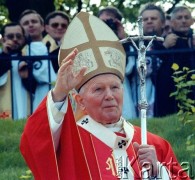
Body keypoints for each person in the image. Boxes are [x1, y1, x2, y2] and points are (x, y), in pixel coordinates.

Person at [20, 12, 189, 179]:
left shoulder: (152, 144)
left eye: (115, 87)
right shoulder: (70, 142)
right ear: (80, 100)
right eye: (98, 89)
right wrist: (59, 92)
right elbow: (35, 145)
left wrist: (157, 172)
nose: (109, 95)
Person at [154, 5, 195, 117]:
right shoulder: (166, 40)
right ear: (171, 22)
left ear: (192, 21)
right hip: (170, 87)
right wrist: (165, 46)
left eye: (186, 17)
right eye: (179, 18)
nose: (183, 21)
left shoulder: (193, 40)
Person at [98, 6, 137, 120]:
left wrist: (122, 38)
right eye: (101, 22)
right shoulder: (89, 41)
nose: (105, 25)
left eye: (109, 21)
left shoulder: (125, 43)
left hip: (120, 85)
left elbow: (128, 68)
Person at [129, 3, 165, 118]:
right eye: (145, 19)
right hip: (139, 92)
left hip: (162, 96)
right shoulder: (132, 44)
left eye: (153, 18)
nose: (149, 21)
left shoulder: (170, 42)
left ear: (163, 22)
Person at [19, 9, 57, 111]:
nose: (30, 25)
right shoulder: (21, 52)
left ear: (42, 26)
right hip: (40, 91)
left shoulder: (55, 45)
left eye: (34, 21)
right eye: (26, 23)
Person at [0, 22, 32, 119]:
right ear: (2, 39)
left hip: (25, 102)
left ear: (23, 39)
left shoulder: (29, 56)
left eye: (18, 36)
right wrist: (5, 54)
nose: (15, 39)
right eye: (10, 36)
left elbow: (36, 88)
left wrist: (26, 78)